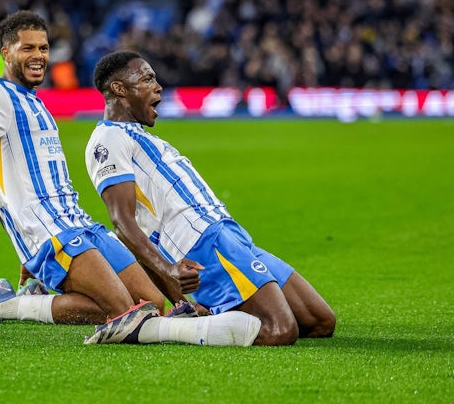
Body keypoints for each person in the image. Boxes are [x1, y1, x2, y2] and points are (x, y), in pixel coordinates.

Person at [0, 10, 262, 346]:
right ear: (6, 53)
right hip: (52, 234)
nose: (38, 56)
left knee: (151, 304)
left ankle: (18, 300)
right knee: (125, 311)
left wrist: (24, 260)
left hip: (80, 223)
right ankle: (8, 306)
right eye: (27, 48)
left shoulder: (38, 105)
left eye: (43, 48)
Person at [85, 50, 337, 346]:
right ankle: (154, 330)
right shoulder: (107, 139)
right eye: (147, 78)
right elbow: (122, 222)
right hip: (201, 241)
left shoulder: (140, 136)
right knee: (280, 329)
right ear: (119, 89)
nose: (158, 86)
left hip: (229, 234)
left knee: (320, 321)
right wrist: (169, 270)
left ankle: (205, 315)